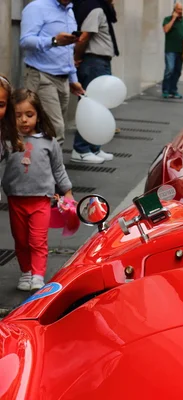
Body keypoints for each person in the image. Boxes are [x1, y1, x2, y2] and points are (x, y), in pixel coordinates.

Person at [2, 89, 74, 291]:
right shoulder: (8, 141)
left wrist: (67, 190)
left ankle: (38, 274)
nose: (24, 120)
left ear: (39, 115)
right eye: (17, 116)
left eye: (29, 115)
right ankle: (26, 272)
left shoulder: (48, 142)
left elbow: (58, 168)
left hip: (41, 199)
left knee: (37, 240)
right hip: (16, 200)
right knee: (21, 240)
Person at [20, 0, 85, 146]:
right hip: (41, 75)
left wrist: (73, 78)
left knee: (50, 131)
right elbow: (25, 41)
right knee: (55, 130)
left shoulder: (69, 11)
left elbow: (68, 49)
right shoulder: (37, 7)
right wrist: (54, 41)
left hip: (63, 79)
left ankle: (41, 165)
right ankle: (51, 168)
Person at [69, 0, 117, 164]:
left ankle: (94, 147)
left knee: (99, 107)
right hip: (94, 62)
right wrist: (75, 59)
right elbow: (84, 37)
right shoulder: (94, 8)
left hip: (100, 62)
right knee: (91, 106)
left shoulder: (101, 9)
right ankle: (81, 149)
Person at [162, 2, 183, 99]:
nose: (180, 11)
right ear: (174, 10)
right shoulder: (167, 19)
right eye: (178, 9)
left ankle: (173, 90)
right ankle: (165, 90)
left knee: (177, 71)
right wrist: (173, 18)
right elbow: (166, 30)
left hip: (181, 50)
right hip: (171, 49)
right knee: (169, 69)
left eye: (181, 9)